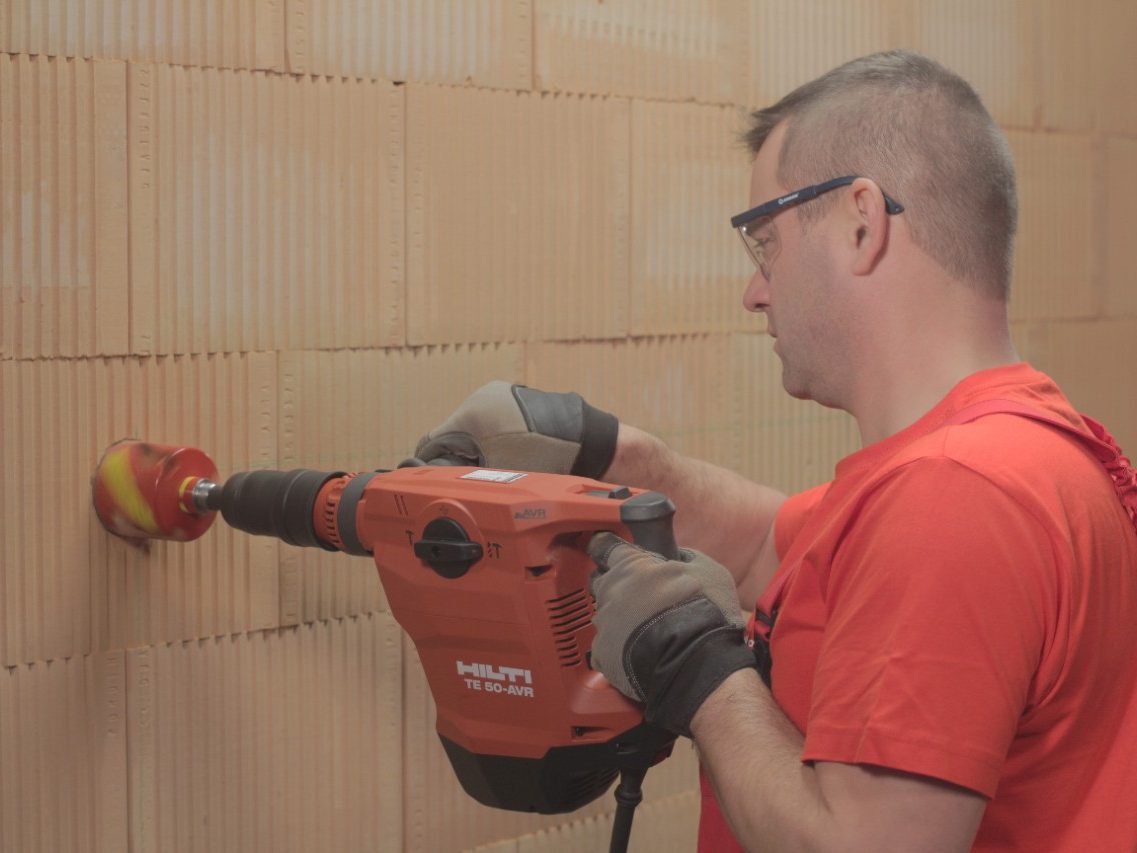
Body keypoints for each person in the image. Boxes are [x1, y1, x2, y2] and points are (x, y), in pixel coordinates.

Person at [412, 51, 1137, 851]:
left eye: (766, 242)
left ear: (862, 221)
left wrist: (699, 675)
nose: (754, 289)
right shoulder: (1015, 448)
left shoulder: (954, 496)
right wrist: (618, 458)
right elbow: (768, 549)